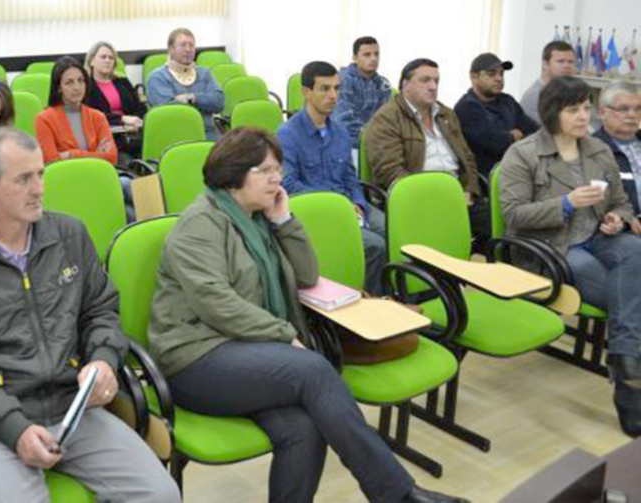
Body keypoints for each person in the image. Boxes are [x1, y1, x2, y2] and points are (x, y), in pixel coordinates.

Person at [147, 127, 468, 503]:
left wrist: (285, 222)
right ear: (235, 175)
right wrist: (283, 334)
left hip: (250, 352)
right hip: (196, 359)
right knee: (313, 370)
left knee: (304, 429)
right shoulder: (201, 223)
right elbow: (216, 303)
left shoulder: (258, 216)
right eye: (266, 171)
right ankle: (397, 494)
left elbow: (306, 275)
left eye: (278, 170)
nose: (277, 179)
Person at [0, 128, 179, 503]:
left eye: (40, 173)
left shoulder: (69, 235)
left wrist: (104, 361)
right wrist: (15, 428)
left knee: (160, 495)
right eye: (23, 179)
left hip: (72, 408)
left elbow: (100, 310)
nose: (38, 188)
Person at [500, 75, 641, 437]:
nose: (583, 116)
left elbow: (622, 202)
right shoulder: (524, 153)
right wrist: (564, 203)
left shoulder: (597, 149)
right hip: (555, 248)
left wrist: (617, 218)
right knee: (628, 294)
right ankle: (628, 382)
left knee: (636, 253)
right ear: (552, 113)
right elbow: (512, 215)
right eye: (573, 109)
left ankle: (625, 362)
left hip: (599, 235)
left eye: (585, 108)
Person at [278, 61, 386, 295]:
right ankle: (369, 304)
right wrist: (339, 206)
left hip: (349, 203)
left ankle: (392, 295)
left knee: (392, 229)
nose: (333, 95)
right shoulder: (287, 134)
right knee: (374, 245)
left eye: (337, 88)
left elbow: (350, 176)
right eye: (325, 89)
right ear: (306, 92)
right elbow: (289, 185)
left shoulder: (340, 131)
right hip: (320, 211)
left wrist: (357, 202)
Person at [364, 58, 489, 248]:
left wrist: (469, 191)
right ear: (405, 84)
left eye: (436, 81)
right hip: (416, 200)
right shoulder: (386, 118)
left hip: (456, 196)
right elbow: (389, 171)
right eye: (425, 80)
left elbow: (468, 158)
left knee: (500, 219)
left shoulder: (446, 114)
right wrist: (429, 199)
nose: (432, 87)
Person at [454, 53, 539, 175]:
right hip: (487, 180)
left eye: (501, 74)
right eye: (491, 74)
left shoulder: (508, 101)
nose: (499, 78)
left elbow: (534, 131)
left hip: (518, 171)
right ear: (474, 77)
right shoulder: (466, 107)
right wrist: (512, 136)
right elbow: (495, 144)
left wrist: (514, 138)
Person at [35, 56, 117, 165]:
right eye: (69, 82)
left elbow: (111, 157)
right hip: (64, 178)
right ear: (59, 88)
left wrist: (71, 155)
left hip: (97, 176)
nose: (77, 87)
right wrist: (96, 155)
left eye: (80, 80)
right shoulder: (44, 119)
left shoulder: (98, 116)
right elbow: (51, 160)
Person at [147, 28, 225, 140]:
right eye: (183, 45)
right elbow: (168, 111)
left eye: (191, 45)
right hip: (175, 137)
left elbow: (219, 102)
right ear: (171, 49)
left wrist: (193, 98)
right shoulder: (157, 77)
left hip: (208, 135)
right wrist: (205, 102)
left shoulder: (204, 73)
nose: (188, 49)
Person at [84, 41, 147, 160]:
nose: (108, 60)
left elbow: (139, 107)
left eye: (111, 58)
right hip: (106, 140)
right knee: (127, 161)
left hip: (133, 134)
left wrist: (138, 121)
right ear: (92, 61)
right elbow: (91, 116)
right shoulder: (86, 86)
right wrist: (122, 119)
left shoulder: (122, 81)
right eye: (103, 57)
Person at [333, 36, 393, 146]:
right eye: (367, 55)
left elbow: (387, 120)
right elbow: (343, 121)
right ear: (355, 58)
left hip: (374, 142)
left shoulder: (383, 84)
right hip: (347, 142)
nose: (373, 59)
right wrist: (372, 137)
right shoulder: (343, 80)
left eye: (376, 54)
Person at [594, 81, 641, 214]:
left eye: (638, 108)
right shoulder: (593, 149)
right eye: (623, 109)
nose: (632, 115)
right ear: (603, 112)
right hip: (624, 225)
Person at [520, 40, 577, 124]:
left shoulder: (574, 92)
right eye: (560, 61)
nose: (567, 66)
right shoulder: (534, 95)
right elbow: (552, 130)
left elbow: (594, 125)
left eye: (570, 62)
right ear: (545, 64)